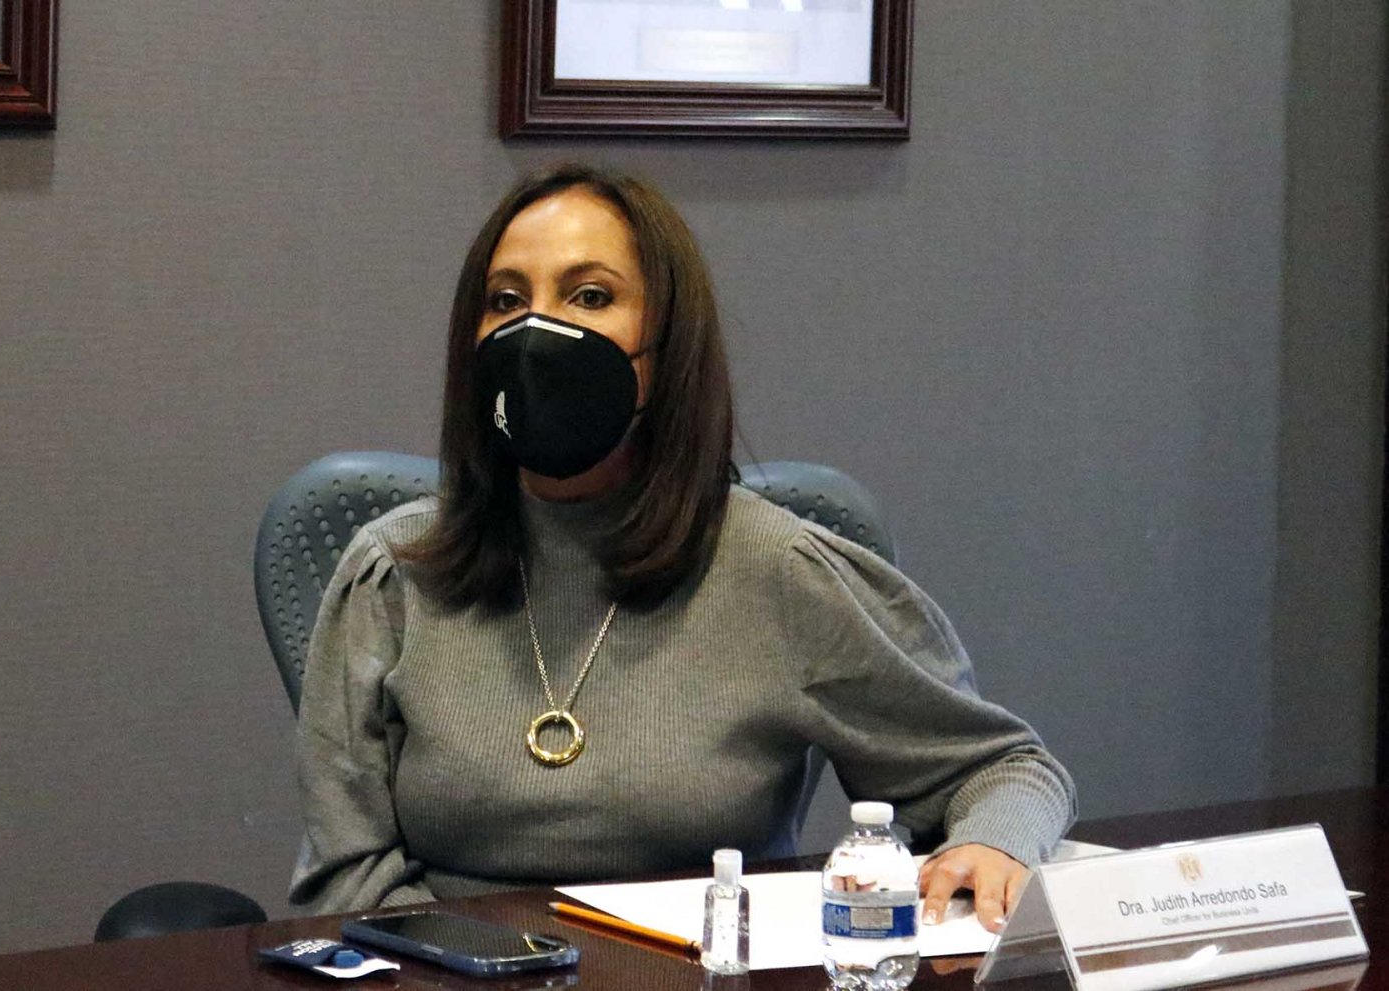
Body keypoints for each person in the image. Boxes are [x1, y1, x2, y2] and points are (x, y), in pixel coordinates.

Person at [288, 162, 1076, 934]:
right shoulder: (392, 572)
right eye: (506, 301)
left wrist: (993, 840)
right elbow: (344, 881)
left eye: (590, 296)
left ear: (668, 345)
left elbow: (1004, 769)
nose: (537, 330)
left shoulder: (777, 570)